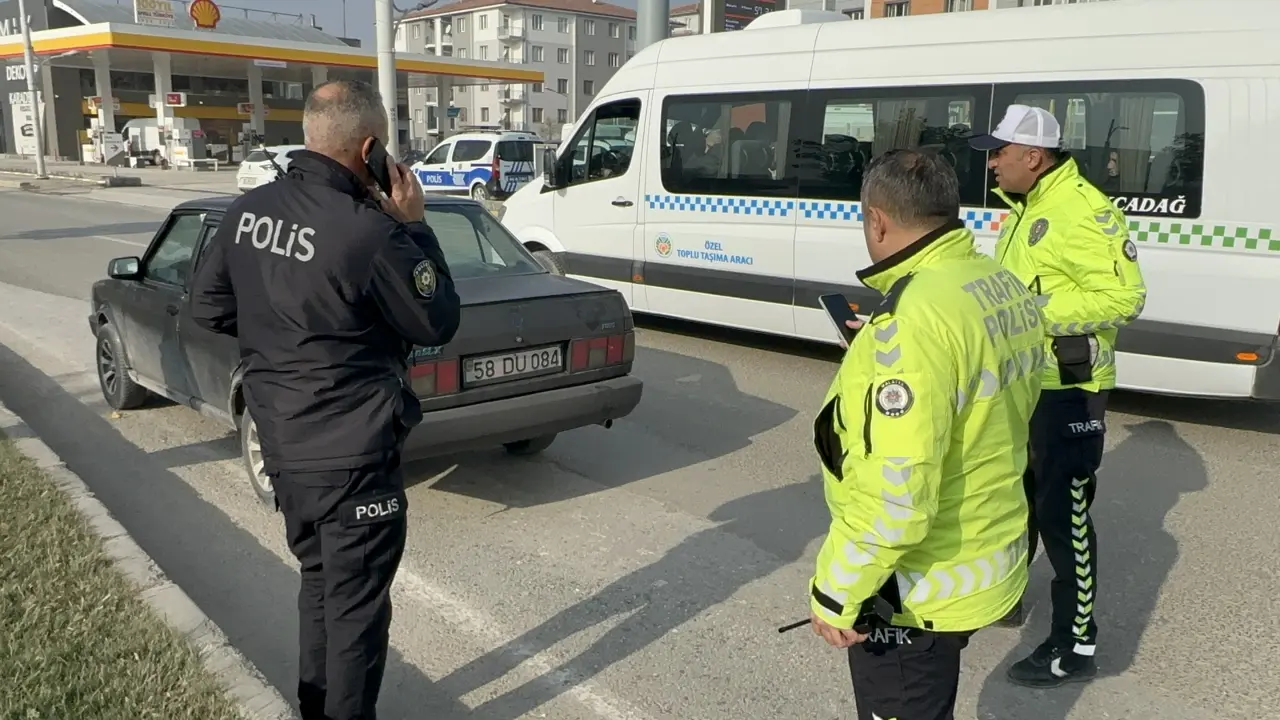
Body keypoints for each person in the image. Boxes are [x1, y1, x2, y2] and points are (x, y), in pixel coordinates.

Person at [188, 79, 461, 720]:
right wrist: (416, 226)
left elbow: (207, 309)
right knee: (357, 611)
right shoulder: (369, 234)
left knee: (319, 583)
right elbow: (437, 319)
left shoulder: (247, 212)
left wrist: (283, 348)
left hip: (282, 445)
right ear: (370, 150)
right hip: (351, 457)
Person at [808, 149, 1045, 720]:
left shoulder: (911, 323)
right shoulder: (995, 280)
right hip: (984, 551)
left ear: (877, 220)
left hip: (915, 591)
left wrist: (837, 591)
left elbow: (898, 492)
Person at [969, 105, 1147, 687]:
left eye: (999, 153)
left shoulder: (1080, 211)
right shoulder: (1028, 207)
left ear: (1032, 156)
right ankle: (1004, 597)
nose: (991, 163)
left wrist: (1031, 313)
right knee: (1016, 499)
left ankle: (1076, 644)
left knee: (1062, 515)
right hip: (1027, 383)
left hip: (1068, 391)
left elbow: (1126, 297)